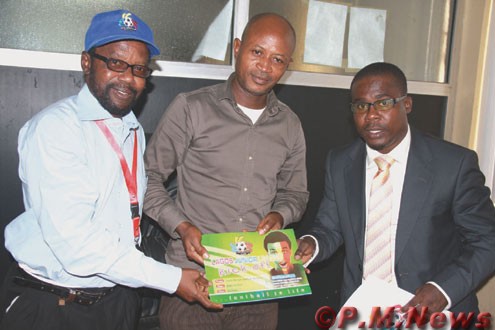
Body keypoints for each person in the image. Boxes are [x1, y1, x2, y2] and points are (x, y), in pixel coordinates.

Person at [1, 9, 221, 330]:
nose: (128, 78)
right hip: (56, 305)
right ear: (87, 62)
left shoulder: (131, 133)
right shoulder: (55, 129)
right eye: (116, 63)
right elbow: (78, 245)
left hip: (116, 300)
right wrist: (173, 279)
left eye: (139, 69)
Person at [144, 12, 308, 330]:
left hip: (258, 282)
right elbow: (148, 179)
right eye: (257, 52)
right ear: (237, 47)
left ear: (287, 66)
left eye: (277, 59)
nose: (264, 67)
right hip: (195, 279)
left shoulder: (290, 124)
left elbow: (296, 193)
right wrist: (181, 226)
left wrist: (281, 215)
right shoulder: (191, 108)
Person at [295, 62, 495, 322]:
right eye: (361, 106)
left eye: (383, 103)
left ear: (407, 104)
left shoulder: (453, 165)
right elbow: (329, 227)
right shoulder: (340, 162)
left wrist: (443, 290)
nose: (371, 115)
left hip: (435, 313)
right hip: (363, 312)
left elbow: (487, 241)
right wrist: (313, 243)